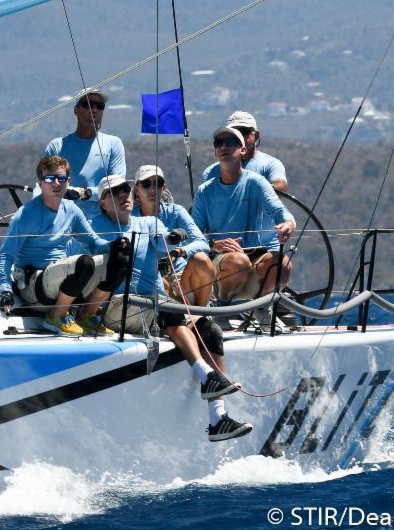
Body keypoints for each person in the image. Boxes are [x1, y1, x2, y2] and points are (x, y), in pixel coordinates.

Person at [92, 174, 252, 442]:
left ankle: (218, 418)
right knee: (172, 310)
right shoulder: (95, 228)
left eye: (125, 189)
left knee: (210, 330)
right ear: (103, 204)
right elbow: (91, 250)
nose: (123, 194)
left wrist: (176, 240)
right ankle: (207, 375)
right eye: (114, 192)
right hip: (121, 306)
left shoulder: (150, 222)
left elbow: (163, 241)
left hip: (158, 304)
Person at [0, 156, 130, 336]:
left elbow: (93, 243)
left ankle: (85, 315)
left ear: (68, 182)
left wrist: (114, 246)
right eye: (49, 179)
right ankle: (56, 317)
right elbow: (5, 255)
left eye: (61, 178)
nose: (56, 183)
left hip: (63, 283)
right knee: (85, 263)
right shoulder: (26, 215)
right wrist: (5, 289)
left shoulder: (71, 210)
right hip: (34, 286)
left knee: (121, 260)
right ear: (40, 184)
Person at [191, 126, 296, 325]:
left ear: (242, 150)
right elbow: (193, 234)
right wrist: (215, 244)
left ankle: (262, 306)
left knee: (283, 264)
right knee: (238, 261)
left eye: (230, 143)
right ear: (215, 152)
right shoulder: (204, 191)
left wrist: (288, 224)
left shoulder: (257, 183)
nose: (224, 147)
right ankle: (221, 308)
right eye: (219, 143)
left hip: (253, 260)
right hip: (220, 267)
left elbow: (281, 213)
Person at [132, 165, 214, 307]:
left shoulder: (176, 211)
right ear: (137, 190)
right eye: (146, 184)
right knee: (157, 280)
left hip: (182, 277)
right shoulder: (130, 217)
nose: (152, 189)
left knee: (202, 259)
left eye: (157, 184)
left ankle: (202, 314)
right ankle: (188, 318)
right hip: (149, 280)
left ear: (163, 188)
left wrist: (179, 251)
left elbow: (202, 242)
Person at [42, 87, 125, 222]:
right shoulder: (56, 146)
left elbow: (116, 188)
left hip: (101, 226)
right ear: (76, 110)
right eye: (87, 104)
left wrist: (85, 193)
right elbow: (44, 185)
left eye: (100, 106)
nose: (94, 109)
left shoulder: (113, 144)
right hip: (61, 224)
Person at [202, 111, 288, 192]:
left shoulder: (270, 164)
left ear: (256, 135)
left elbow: (281, 185)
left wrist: (259, 190)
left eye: (243, 131)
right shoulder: (211, 171)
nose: (239, 137)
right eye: (233, 134)